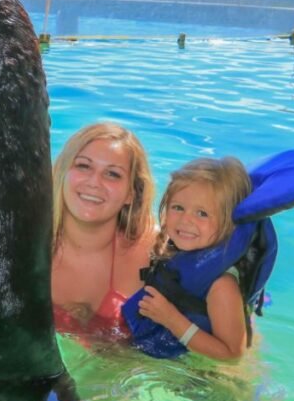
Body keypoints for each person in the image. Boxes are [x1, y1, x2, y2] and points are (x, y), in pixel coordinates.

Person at [135, 157, 252, 361]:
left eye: (202, 213)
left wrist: (171, 318)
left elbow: (232, 355)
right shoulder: (174, 252)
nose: (186, 219)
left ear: (229, 223)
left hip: (210, 379)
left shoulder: (222, 285)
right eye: (178, 207)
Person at [50, 122, 157, 339]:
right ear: (62, 173)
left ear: (131, 193)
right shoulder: (24, 245)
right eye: (83, 166)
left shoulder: (155, 249)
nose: (94, 182)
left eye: (113, 174)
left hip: (131, 367)